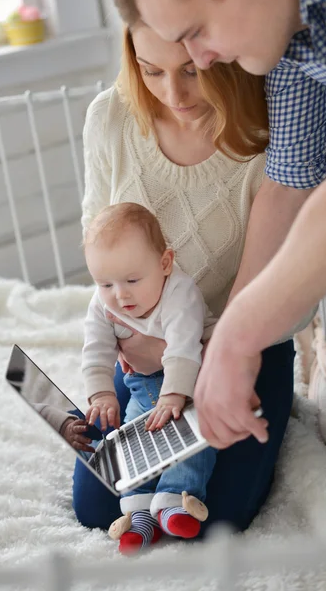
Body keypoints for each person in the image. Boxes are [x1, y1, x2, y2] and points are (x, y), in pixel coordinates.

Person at [72, 22, 309, 536]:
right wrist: (128, 348)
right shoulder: (110, 119)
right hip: (142, 357)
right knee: (99, 507)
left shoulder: (275, 129)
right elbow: (100, 251)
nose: (173, 94)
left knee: (217, 517)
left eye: (192, 72)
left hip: (246, 342)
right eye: (151, 70)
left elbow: (292, 287)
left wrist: (198, 347)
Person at [111, 0, 326, 449]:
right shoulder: (292, 43)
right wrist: (227, 340)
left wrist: (238, 337)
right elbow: (290, 183)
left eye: (197, 31)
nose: (202, 56)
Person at [82, 202, 218, 554]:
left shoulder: (180, 292)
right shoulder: (104, 303)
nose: (120, 294)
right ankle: (139, 513)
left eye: (131, 280)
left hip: (194, 379)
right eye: (105, 283)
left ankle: (177, 498)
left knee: (193, 436)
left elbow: (184, 350)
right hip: (141, 384)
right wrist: (101, 395)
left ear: (165, 264)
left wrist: (175, 396)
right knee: (134, 443)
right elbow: (95, 350)